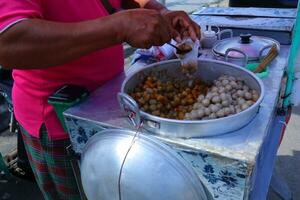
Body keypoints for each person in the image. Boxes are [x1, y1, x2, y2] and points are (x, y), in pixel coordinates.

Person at [0, 0, 200, 199]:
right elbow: (8, 43)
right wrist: (119, 26)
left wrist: (158, 13)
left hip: (109, 106)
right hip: (60, 122)